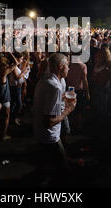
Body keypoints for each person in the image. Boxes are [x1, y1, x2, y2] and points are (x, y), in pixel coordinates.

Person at [33, 53, 76, 182]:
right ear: (60, 66)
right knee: (63, 170)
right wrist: (68, 110)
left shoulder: (45, 79)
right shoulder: (54, 87)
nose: (69, 68)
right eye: (67, 65)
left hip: (41, 133)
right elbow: (49, 122)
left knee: (42, 165)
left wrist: (63, 98)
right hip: (50, 137)